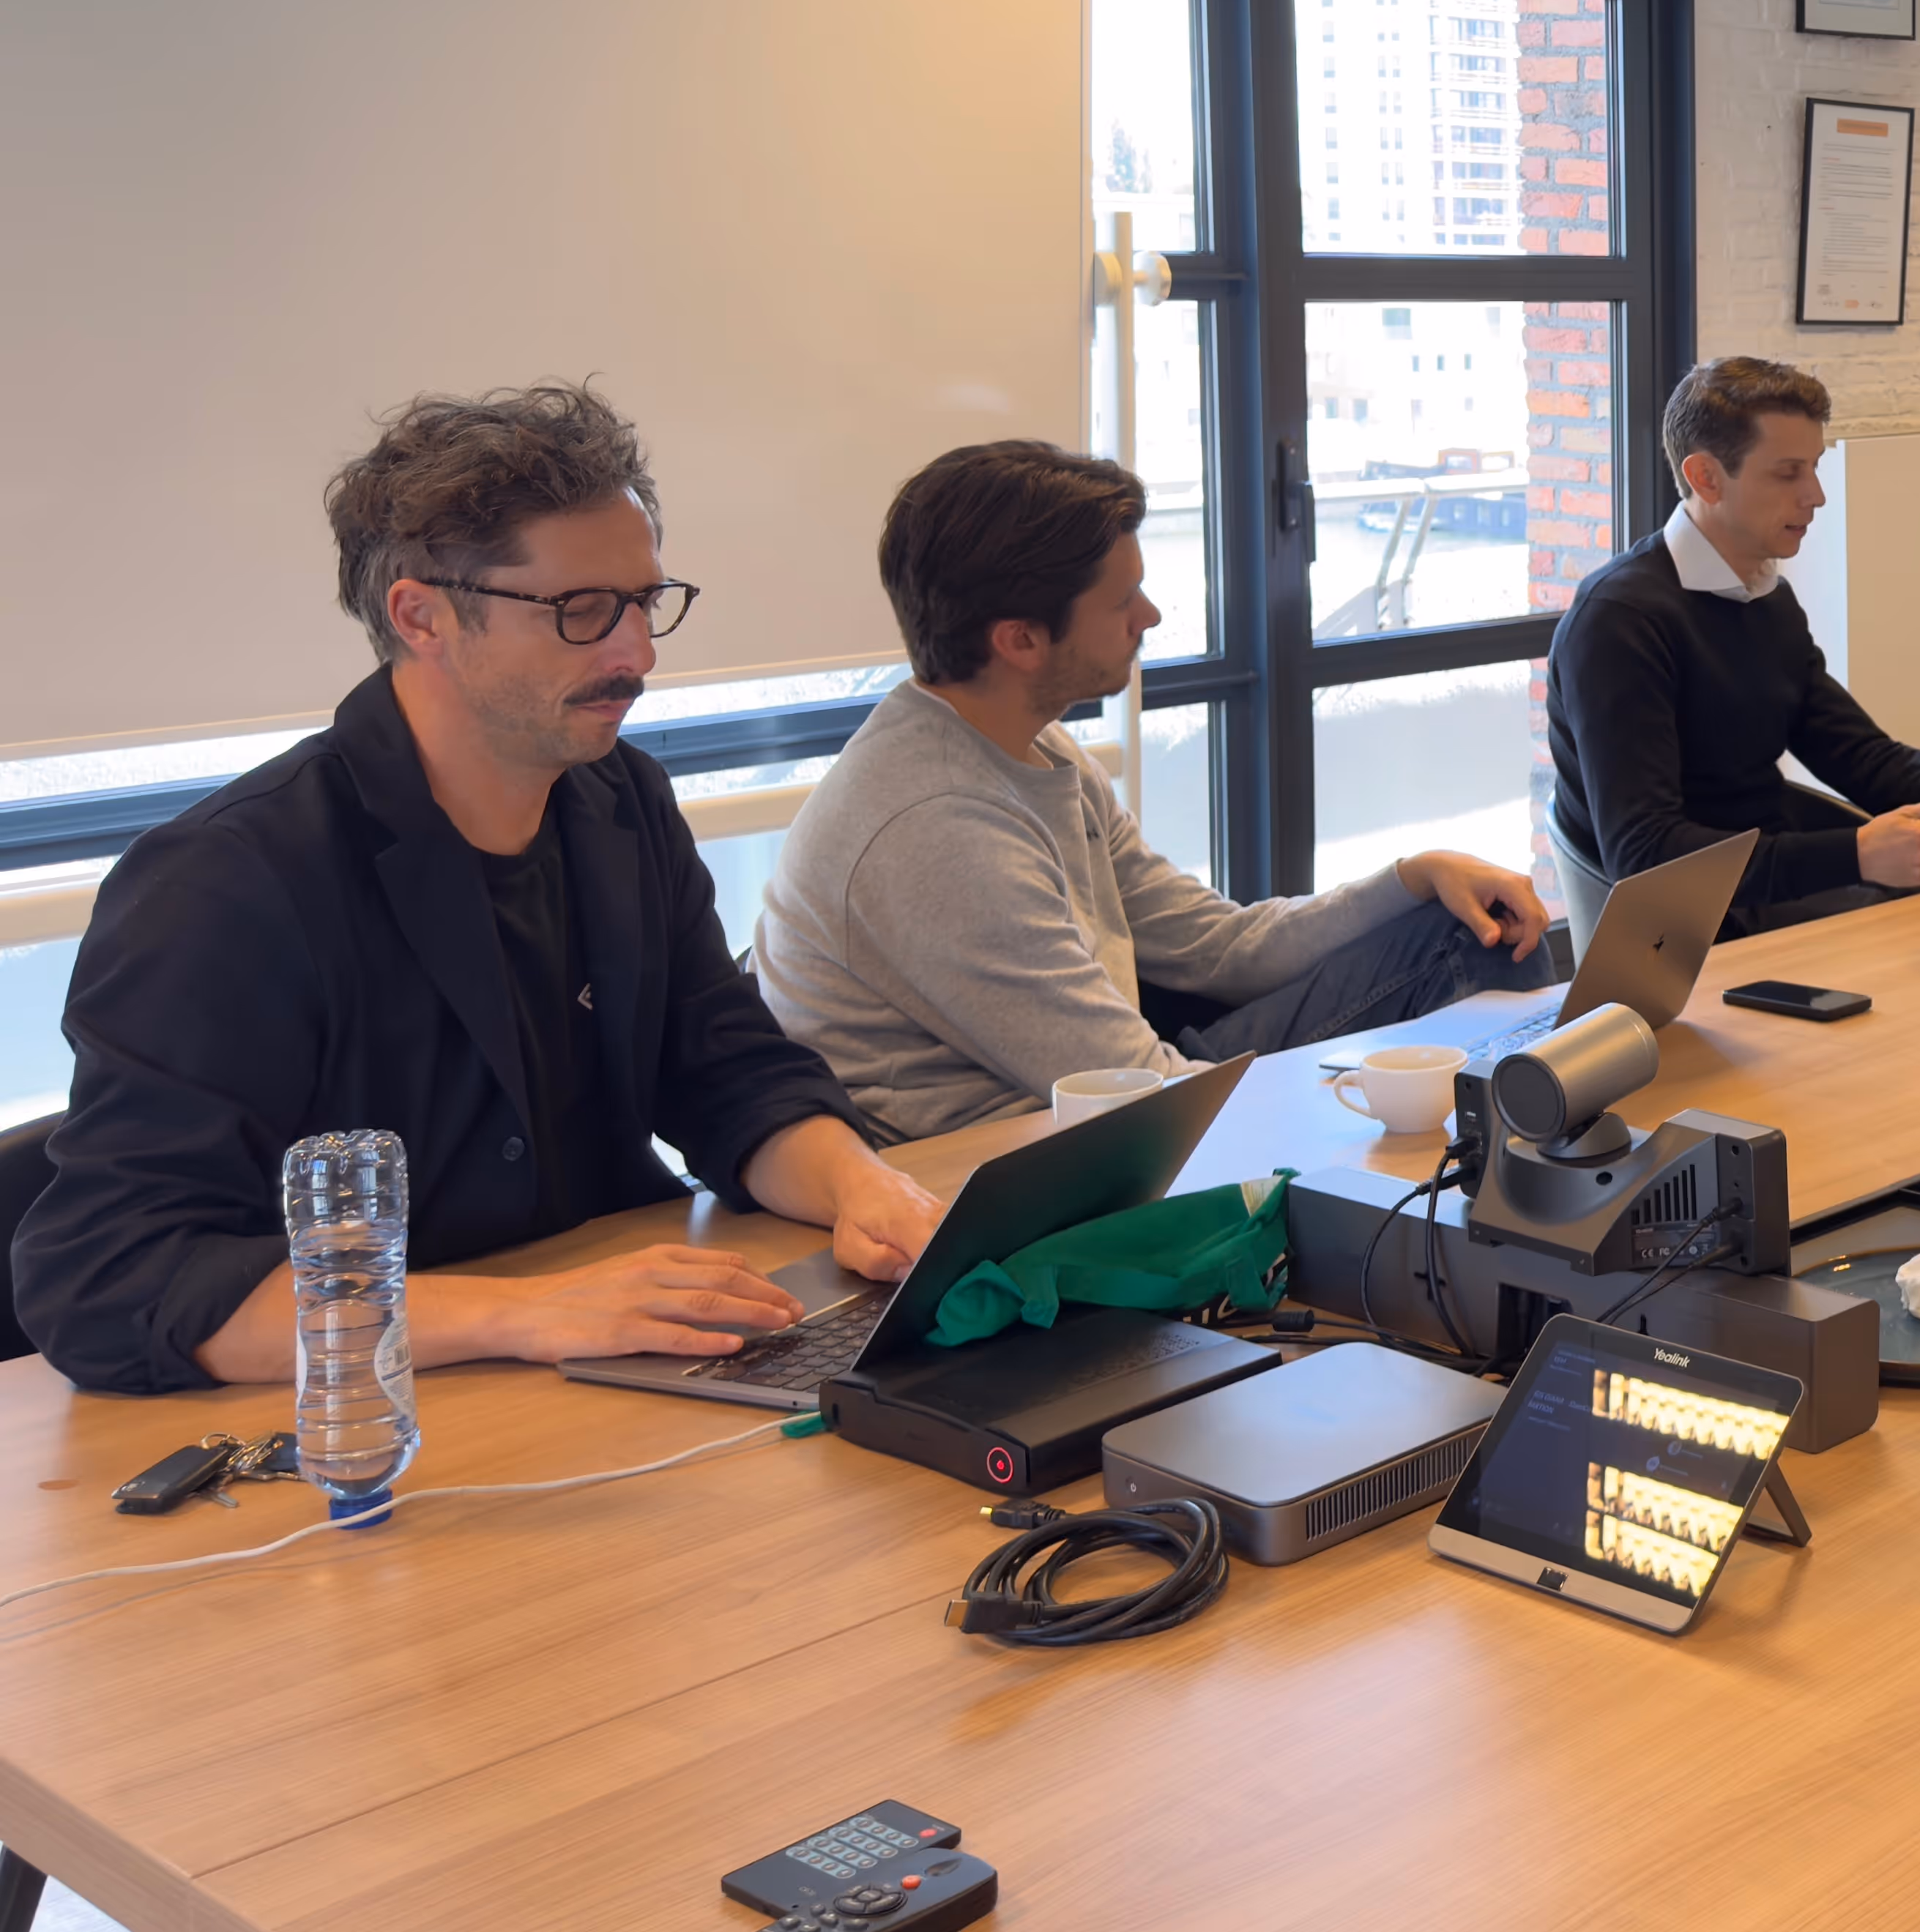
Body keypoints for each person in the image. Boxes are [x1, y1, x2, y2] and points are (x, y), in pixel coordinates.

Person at [15, 386, 945, 1395]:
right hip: (368, 1417)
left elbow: (730, 1075)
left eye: (645, 602)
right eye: (581, 611)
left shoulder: (621, 799)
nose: (636, 653)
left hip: (606, 1377)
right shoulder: (226, 881)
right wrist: (528, 1313)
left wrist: (863, 1186)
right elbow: (111, 1279)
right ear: (421, 616)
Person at [754, 444, 1552, 1144]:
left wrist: (1412, 876)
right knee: (1427, 1047)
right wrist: (1361, 1101)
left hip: (1123, 1094)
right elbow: (1142, 1096)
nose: (1150, 615)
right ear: (1020, 639)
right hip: (1032, 1165)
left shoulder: (1034, 746)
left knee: (1464, 928)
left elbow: (1218, 948)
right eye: (1120, 601)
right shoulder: (936, 834)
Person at [1546, 358, 1920, 934]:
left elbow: (1871, 765)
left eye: (1815, 468)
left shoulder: (1766, 600)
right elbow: (1646, 857)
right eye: (1788, 474)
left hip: (1791, 884)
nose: (1816, 495)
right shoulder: (1619, 622)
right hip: (1700, 926)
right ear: (1707, 478)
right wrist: (1857, 855)